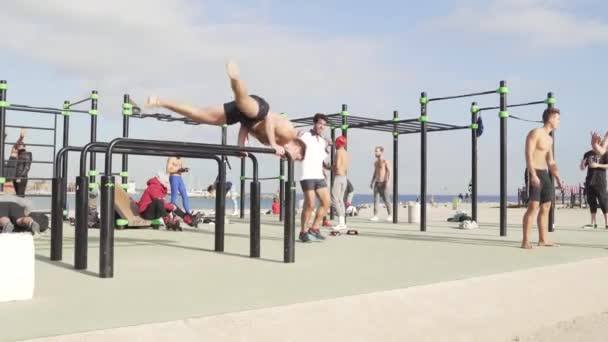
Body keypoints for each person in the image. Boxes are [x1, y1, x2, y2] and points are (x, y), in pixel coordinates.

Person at [145, 61, 306, 160]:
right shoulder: (289, 133)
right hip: (260, 110)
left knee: (200, 115)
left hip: (247, 119)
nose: (293, 159)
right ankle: (235, 78)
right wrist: (273, 144)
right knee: (243, 101)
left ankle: (160, 101)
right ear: (297, 147)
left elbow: (246, 126)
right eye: (297, 157)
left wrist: (240, 146)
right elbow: (269, 118)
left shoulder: (277, 143)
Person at [522, 108, 564, 249]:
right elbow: (528, 155)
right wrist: (532, 174)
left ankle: (543, 239)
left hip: (545, 173)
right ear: (550, 118)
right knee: (533, 206)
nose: (558, 122)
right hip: (533, 171)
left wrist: (558, 178)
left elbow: (551, 162)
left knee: (546, 206)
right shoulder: (535, 133)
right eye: (557, 118)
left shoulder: (549, 139)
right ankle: (525, 241)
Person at [298, 113, 331, 242]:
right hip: (307, 176)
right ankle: (303, 232)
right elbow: (294, 146)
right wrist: (295, 138)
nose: (322, 126)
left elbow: (322, 160)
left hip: (319, 176)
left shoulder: (322, 141)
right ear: (314, 123)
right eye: (320, 123)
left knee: (327, 203)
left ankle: (314, 228)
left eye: (324, 125)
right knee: (310, 204)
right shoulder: (305, 136)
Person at [581, 141, 608, 228]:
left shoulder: (604, 153)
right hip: (589, 181)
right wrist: (582, 162)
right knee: (591, 201)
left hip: (600, 181)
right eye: (593, 142)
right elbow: (582, 168)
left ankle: (607, 223)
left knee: (603, 201)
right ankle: (593, 223)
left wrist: (597, 165)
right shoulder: (587, 154)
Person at [330, 136, 350, 231]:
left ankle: (341, 222)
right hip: (344, 178)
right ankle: (343, 223)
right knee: (340, 199)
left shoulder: (338, 152)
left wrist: (329, 167)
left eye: (336, 143)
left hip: (338, 177)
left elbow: (337, 165)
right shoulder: (346, 153)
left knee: (334, 199)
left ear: (338, 143)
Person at [369, 146, 392, 221]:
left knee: (386, 199)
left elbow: (389, 172)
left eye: (377, 151)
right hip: (377, 183)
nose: (375, 152)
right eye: (375, 151)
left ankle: (390, 215)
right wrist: (372, 181)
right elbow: (375, 172)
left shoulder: (385, 161)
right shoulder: (375, 162)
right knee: (376, 200)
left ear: (381, 152)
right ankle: (375, 215)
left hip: (384, 183)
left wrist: (388, 182)